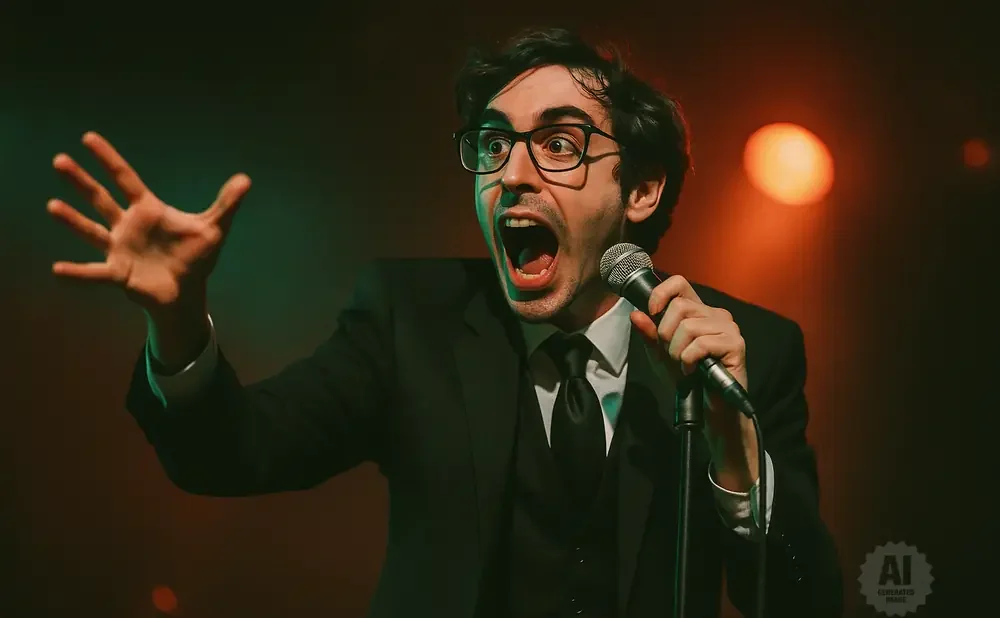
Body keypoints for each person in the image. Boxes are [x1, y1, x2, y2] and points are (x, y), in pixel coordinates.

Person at [47, 27, 842, 618]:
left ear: (639, 191)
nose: (514, 174)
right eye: (492, 146)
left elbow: (806, 604)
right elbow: (235, 453)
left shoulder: (747, 350)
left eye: (559, 144)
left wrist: (734, 454)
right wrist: (179, 317)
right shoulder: (411, 320)